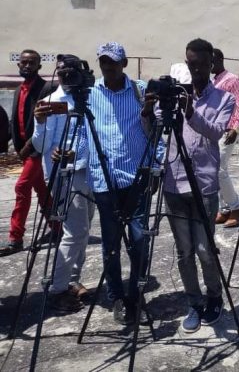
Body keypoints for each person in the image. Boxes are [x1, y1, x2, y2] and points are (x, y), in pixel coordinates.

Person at [143, 39, 234, 333]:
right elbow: (154, 131)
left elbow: (214, 132)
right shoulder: (174, 95)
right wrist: (148, 110)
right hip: (173, 182)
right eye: (190, 63)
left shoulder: (223, 98)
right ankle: (194, 302)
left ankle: (214, 296)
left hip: (204, 184)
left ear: (211, 65)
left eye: (200, 64)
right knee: (183, 252)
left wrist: (190, 111)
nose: (194, 69)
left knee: (204, 248)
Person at [84, 42, 150, 325]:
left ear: (124, 64)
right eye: (103, 62)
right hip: (104, 180)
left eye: (113, 62)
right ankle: (116, 296)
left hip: (136, 177)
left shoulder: (140, 90)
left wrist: (155, 168)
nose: (108, 67)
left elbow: (154, 130)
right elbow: (81, 130)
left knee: (139, 240)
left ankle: (136, 295)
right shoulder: (89, 93)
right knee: (110, 244)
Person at [32, 54, 95, 312]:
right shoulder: (50, 102)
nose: (67, 78)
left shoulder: (89, 99)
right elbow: (41, 146)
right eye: (63, 73)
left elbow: (93, 136)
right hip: (62, 174)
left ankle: (72, 280)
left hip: (88, 171)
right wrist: (39, 123)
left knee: (84, 229)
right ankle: (58, 288)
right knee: (75, 231)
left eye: (72, 73)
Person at [0, 49, 55, 256]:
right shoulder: (18, 90)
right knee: (41, 189)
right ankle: (57, 228)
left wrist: (27, 147)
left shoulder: (46, 88)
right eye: (24, 63)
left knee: (22, 187)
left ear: (39, 66)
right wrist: (10, 143)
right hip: (23, 149)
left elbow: (47, 123)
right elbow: (16, 120)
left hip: (38, 149)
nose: (27, 66)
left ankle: (16, 238)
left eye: (32, 63)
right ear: (18, 65)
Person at [211, 48, 239, 228]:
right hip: (215, 130)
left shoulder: (231, 80)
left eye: (210, 60)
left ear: (218, 59)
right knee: (213, 170)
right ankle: (224, 209)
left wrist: (236, 127)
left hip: (228, 129)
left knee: (219, 169)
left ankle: (237, 209)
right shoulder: (214, 80)